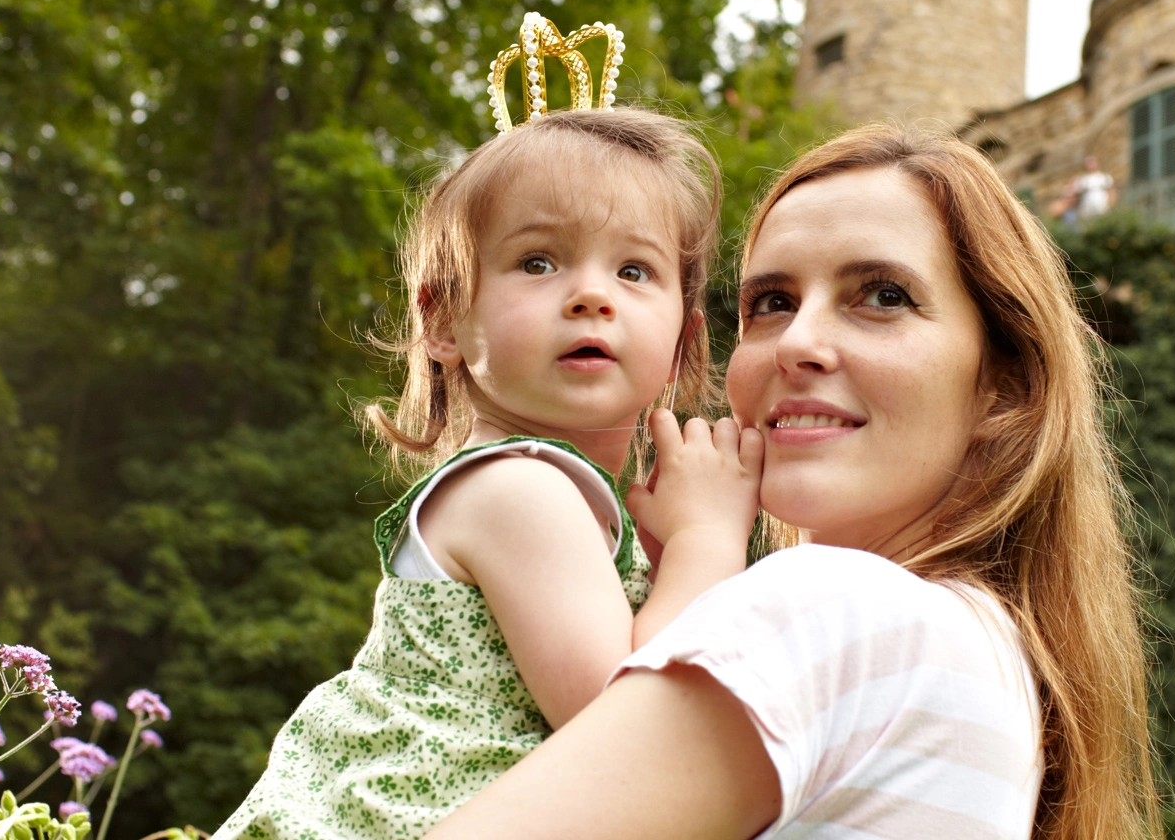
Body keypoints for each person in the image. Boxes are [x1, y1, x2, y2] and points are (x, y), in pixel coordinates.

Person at [430, 124, 1163, 840]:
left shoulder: (838, 612)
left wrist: (703, 544)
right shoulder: (997, 668)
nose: (801, 344)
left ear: (1001, 387)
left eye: (883, 296)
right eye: (771, 304)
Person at [214, 45, 764, 837]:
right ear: (442, 319)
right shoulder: (519, 490)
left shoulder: (556, 499)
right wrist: (709, 539)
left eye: (635, 271)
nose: (591, 296)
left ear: (684, 339)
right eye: (537, 262)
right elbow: (627, 723)